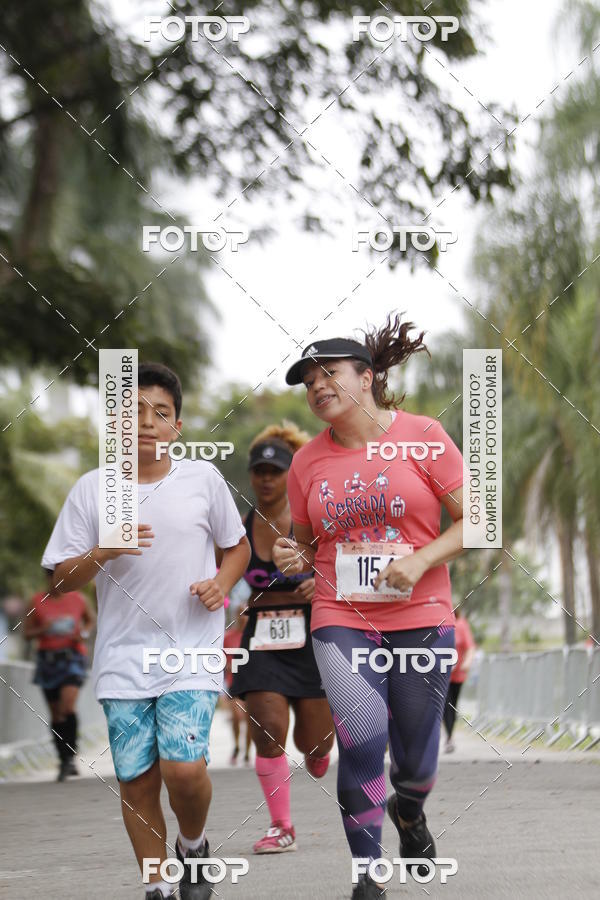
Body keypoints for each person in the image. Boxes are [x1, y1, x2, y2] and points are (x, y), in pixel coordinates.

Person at [273, 315, 467, 899]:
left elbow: (479, 520)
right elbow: (306, 545)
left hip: (421, 615)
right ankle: (366, 875)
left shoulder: (423, 435)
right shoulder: (306, 462)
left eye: (328, 374)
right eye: (308, 382)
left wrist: (419, 559)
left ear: (367, 377)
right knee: (360, 735)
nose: (317, 388)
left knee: (416, 754)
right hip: (341, 615)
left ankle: (410, 811)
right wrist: (292, 556)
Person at [41, 362, 250, 900]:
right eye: (134, 412)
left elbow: (238, 546)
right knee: (137, 780)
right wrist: (104, 550)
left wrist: (221, 583)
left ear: (177, 426)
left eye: (162, 413)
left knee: (183, 770)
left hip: (190, 650)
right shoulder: (93, 491)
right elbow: (60, 578)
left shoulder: (202, 479)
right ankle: (156, 887)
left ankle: (195, 846)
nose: (148, 423)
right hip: (122, 657)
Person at [230, 424, 335, 854]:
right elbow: (223, 575)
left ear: (291, 473)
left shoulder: (314, 517)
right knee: (267, 729)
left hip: (313, 636)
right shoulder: (239, 527)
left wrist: (324, 583)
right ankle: (281, 827)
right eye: (260, 471)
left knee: (315, 747)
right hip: (262, 639)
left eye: (276, 470)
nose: (267, 479)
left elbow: (344, 559)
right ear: (252, 475)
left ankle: (318, 751)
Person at [24, 581, 95, 780]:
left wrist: (83, 633)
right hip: (48, 660)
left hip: (72, 658)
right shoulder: (36, 601)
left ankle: (71, 755)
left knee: (67, 708)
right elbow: (26, 634)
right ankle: (63, 759)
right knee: (56, 713)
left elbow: (90, 620)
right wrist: (43, 629)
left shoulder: (79, 598)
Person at [443, 607, 476, 752]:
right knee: (446, 704)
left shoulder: (461, 625)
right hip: (442, 674)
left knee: (453, 705)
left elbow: (470, 647)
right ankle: (449, 738)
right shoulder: (439, 624)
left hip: (458, 674)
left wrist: (467, 662)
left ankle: (449, 735)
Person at [222, 612, 252, 765]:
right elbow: (219, 658)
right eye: (241, 613)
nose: (243, 617)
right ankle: (236, 747)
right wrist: (226, 666)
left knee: (249, 719)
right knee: (235, 717)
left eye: (246, 614)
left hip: (250, 683)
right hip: (233, 682)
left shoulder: (253, 637)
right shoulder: (229, 637)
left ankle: (247, 752)